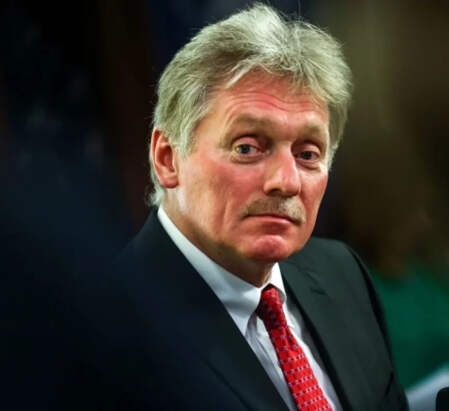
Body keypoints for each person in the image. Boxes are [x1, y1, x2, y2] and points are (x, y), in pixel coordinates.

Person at [76, 4, 407, 411]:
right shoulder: (101, 333)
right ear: (168, 159)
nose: (286, 181)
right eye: (247, 148)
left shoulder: (343, 275)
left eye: (307, 154)